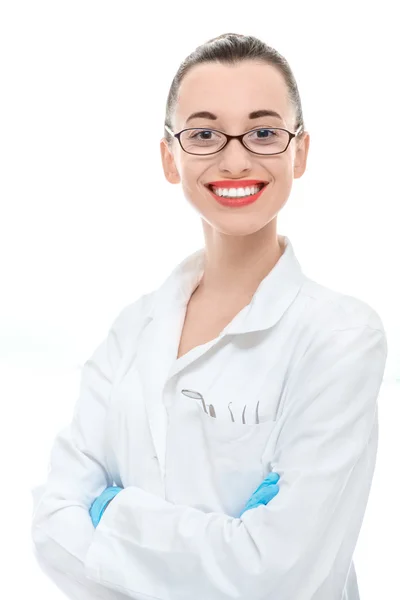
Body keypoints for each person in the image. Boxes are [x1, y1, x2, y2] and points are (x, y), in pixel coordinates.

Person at [31, 33, 387, 600]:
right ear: (170, 157)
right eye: (203, 134)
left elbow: (278, 575)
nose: (236, 158)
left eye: (264, 131)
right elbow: (51, 526)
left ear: (300, 151)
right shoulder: (133, 329)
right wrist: (225, 544)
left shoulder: (341, 337)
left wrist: (110, 514)